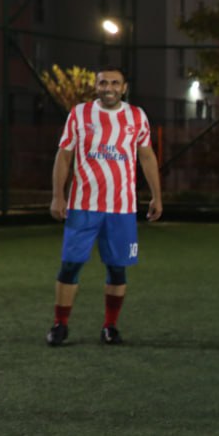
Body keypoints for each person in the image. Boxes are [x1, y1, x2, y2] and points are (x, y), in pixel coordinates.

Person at [46, 67, 162, 347]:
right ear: (95, 86)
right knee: (70, 265)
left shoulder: (137, 116)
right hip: (83, 205)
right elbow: (64, 156)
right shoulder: (80, 114)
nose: (108, 87)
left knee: (118, 269)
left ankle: (110, 327)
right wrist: (57, 196)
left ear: (124, 87)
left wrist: (157, 196)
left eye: (114, 83)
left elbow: (146, 157)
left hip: (122, 209)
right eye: (103, 82)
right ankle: (60, 325)